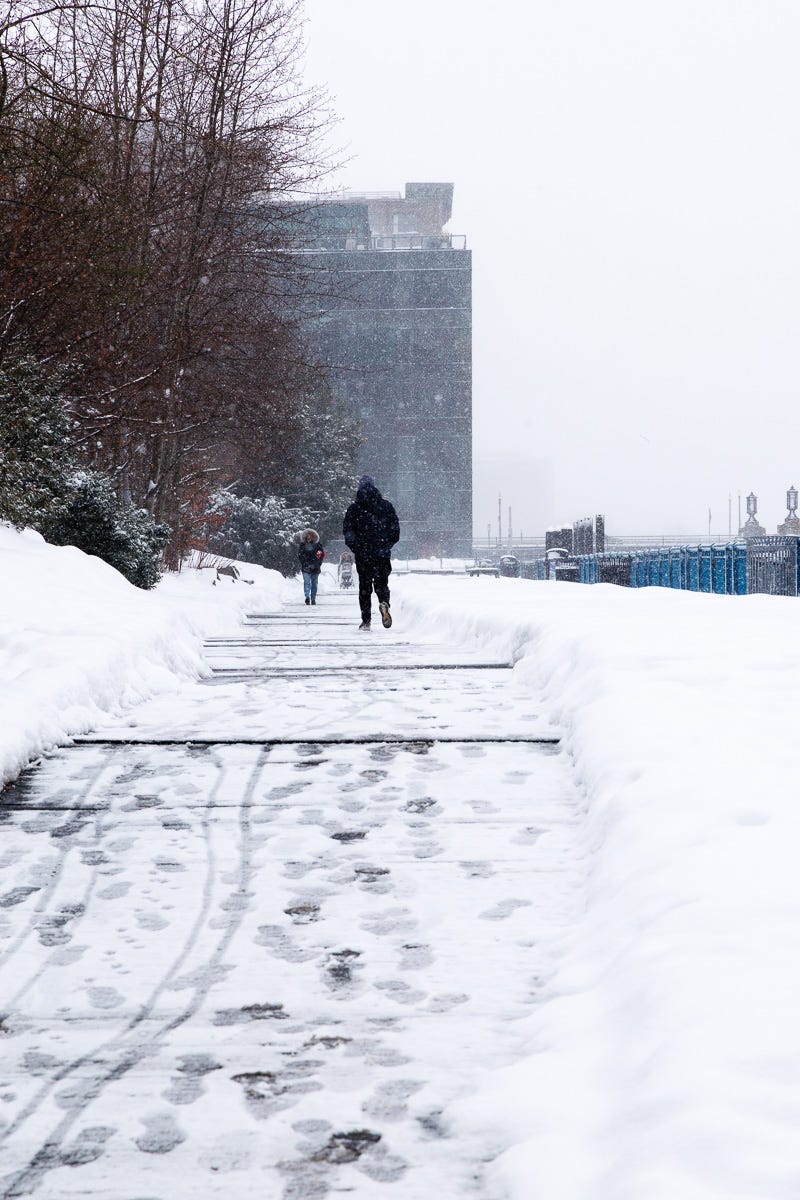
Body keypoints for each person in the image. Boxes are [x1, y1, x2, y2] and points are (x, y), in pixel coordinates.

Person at [342, 475, 400, 630]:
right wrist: (386, 544)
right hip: (381, 553)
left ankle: (366, 620)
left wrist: (356, 547)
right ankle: (384, 603)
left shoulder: (354, 509)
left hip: (363, 554)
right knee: (382, 583)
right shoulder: (386, 506)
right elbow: (395, 530)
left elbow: (348, 531)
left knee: (365, 587)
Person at [298, 528, 325, 605]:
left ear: (313, 536)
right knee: (307, 582)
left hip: (315, 567)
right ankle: (307, 597)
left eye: (310, 535)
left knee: (314, 583)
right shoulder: (302, 545)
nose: (308, 536)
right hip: (306, 567)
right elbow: (300, 555)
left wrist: (317, 564)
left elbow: (320, 555)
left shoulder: (318, 545)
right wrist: (305, 563)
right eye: (307, 535)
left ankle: (313, 598)